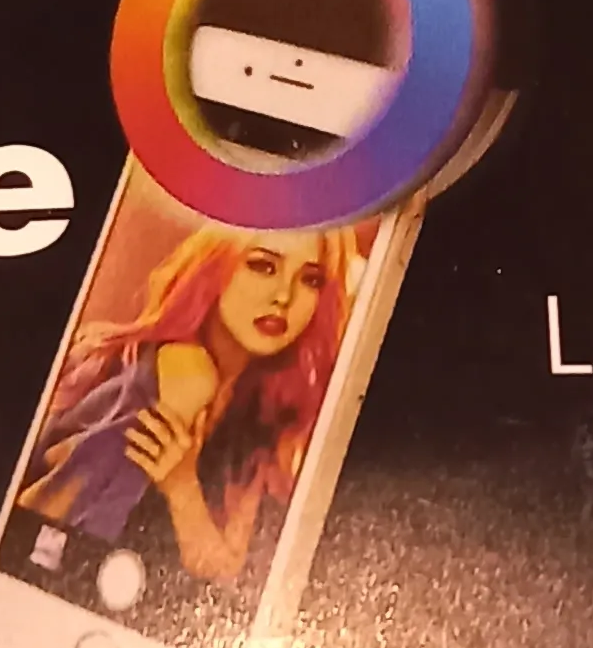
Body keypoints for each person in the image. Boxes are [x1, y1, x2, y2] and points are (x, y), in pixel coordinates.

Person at [19, 219, 354, 590]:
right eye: (263, 265)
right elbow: (38, 529)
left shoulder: (261, 412)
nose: (284, 297)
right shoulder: (181, 375)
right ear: (216, 265)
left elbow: (225, 569)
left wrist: (182, 487)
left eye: (310, 279)